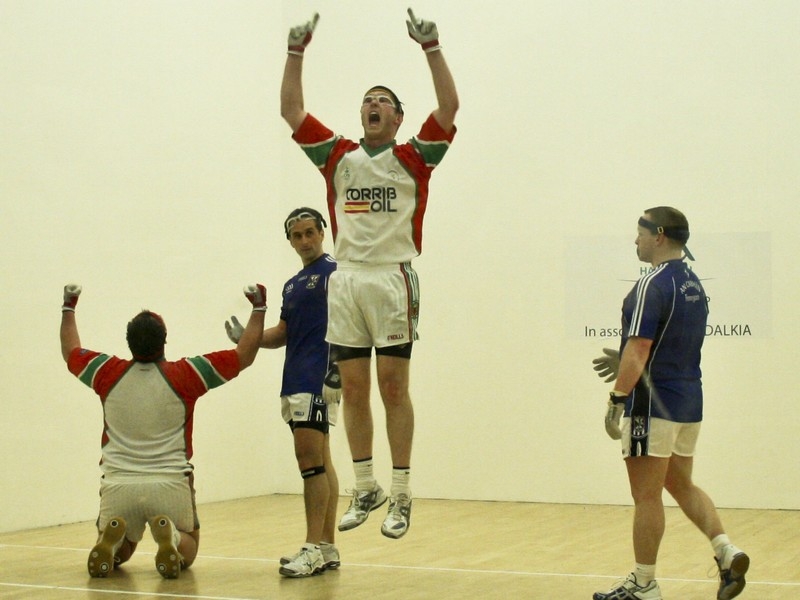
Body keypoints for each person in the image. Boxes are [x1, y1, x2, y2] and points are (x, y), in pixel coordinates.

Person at [279, 8, 459, 540]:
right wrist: (296, 51)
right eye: (368, 100)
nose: (373, 104)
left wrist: (432, 47)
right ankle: (367, 485)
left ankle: (402, 493)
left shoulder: (414, 157)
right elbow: (291, 110)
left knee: (392, 386)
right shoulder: (338, 157)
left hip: (391, 279)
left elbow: (449, 106)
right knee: (353, 390)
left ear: (399, 118)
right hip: (348, 279)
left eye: (384, 101)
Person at [592, 207, 749, 600]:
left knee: (646, 496)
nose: (636, 240)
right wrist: (630, 361)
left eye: (640, 232)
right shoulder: (692, 283)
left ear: (659, 234)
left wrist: (617, 397)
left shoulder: (652, 284)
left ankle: (644, 584)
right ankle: (726, 552)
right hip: (687, 402)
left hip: (652, 405)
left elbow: (641, 346)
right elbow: (667, 345)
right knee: (680, 484)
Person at [60, 282, 266, 579]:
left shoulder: (106, 373)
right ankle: (171, 536)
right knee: (190, 546)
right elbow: (244, 356)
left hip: (119, 484)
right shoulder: (187, 375)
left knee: (123, 551)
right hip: (170, 484)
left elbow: (71, 352)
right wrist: (258, 309)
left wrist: (69, 306)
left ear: (129, 342)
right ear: (164, 340)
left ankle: (114, 539)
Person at [225, 207, 341, 578]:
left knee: (309, 462)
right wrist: (249, 337)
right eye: (297, 236)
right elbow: (282, 333)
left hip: (318, 378)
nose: (305, 241)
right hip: (295, 378)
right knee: (321, 459)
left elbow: (355, 321)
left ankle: (310, 548)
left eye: (311, 232)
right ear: (290, 240)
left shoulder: (336, 274)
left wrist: (339, 368)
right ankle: (326, 546)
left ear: (322, 233)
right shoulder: (292, 285)